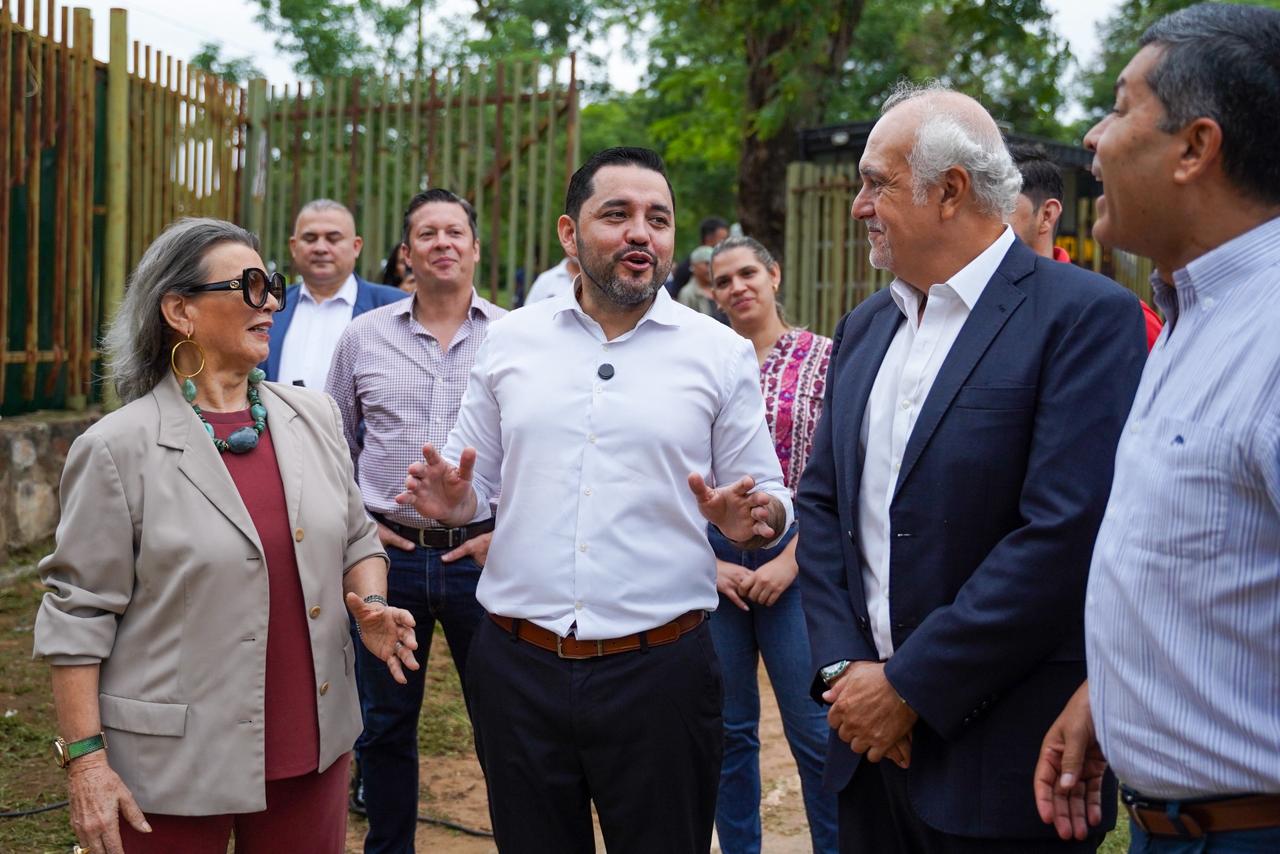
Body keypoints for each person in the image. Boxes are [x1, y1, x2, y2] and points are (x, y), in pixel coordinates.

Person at [397, 147, 792, 854]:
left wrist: (756, 518)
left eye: (658, 219)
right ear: (569, 234)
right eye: (617, 214)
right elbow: (470, 483)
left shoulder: (718, 352)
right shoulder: (510, 342)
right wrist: (456, 505)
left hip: (661, 674)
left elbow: (766, 493)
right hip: (517, 669)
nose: (641, 232)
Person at [795, 83, 1147, 854]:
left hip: (1002, 765)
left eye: (875, 183)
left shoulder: (1083, 316)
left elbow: (1063, 534)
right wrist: (846, 674)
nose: (858, 206)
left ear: (950, 190)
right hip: (867, 755)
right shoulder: (864, 327)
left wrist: (908, 689)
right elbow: (821, 507)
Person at [31, 218, 420, 854]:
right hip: (169, 764)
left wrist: (371, 604)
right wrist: (86, 761)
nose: (272, 303)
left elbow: (357, 539)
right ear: (179, 310)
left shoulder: (314, 416)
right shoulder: (116, 448)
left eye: (274, 286)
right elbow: (79, 614)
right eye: (251, 286)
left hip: (313, 742)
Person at [1034, 5, 1280, 851]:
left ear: (1194, 148)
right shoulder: (1187, 315)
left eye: (1119, 107)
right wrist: (1119, 694)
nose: (1093, 138)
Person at [327, 188, 505, 854]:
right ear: (407, 253)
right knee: (384, 725)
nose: (442, 243)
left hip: (483, 560)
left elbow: (543, 446)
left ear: (475, 247)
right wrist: (361, 525)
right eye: (427, 233)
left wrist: (504, 531)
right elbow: (332, 444)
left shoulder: (515, 337)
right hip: (389, 559)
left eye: (455, 231)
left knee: (504, 722)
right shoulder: (362, 337)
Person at [705, 234, 838, 854]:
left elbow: (842, 473)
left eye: (747, 273)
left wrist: (792, 559)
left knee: (815, 731)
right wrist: (708, 563)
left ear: (774, 275)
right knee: (729, 733)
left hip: (799, 562)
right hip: (718, 565)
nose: (737, 288)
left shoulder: (826, 358)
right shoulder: (704, 360)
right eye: (722, 280)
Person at [1007, 143, 1163, 350]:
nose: (980, 220)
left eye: (999, 205)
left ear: (1046, 215)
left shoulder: (1119, 314)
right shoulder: (970, 299)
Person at [262, 199, 403, 389]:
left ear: (356, 246)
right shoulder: (268, 306)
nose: (320, 248)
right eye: (310, 238)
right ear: (294, 247)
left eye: (333, 239)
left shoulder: (393, 306)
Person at [667, 215, 729, 297]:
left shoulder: (725, 261)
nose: (725, 244)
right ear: (709, 238)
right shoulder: (686, 267)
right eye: (722, 239)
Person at [678, 245, 729, 323]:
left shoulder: (723, 287)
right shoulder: (688, 294)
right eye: (707, 263)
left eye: (713, 263)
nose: (711, 268)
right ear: (694, 266)